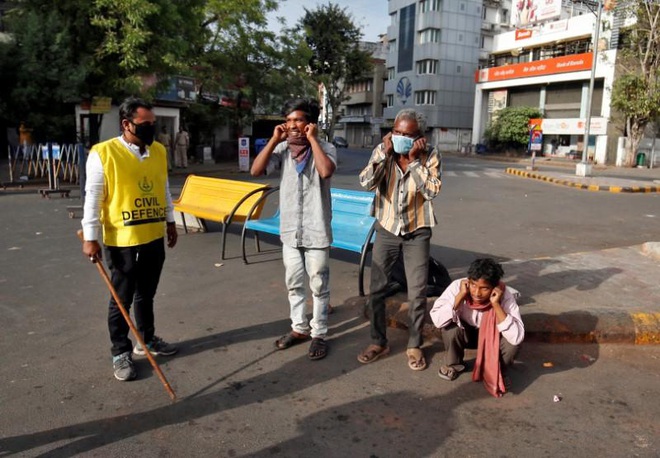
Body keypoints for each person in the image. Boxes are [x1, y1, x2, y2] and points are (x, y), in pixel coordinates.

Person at [81, 97, 179, 382]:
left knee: (146, 294)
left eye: (153, 124)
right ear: (126, 124)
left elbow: (163, 189)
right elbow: (93, 200)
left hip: (152, 237)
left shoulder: (158, 151)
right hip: (123, 241)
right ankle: (120, 352)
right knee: (121, 300)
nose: (151, 129)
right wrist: (91, 238)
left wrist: (170, 221)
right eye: (145, 124)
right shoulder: (103, 153)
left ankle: (146, 339)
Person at [250, 98, 337, 361]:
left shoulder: (325, 147)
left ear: (310, 123)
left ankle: (319, 334)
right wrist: (273, 141)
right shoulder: (283, 151)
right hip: (290, 231)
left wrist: (313, 141)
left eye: (297, 120)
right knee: (294, 283)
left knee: (319, 284)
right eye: (288, 120)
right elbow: (255, 171)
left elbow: (325, 171)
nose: (291, 125)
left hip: (316, 231)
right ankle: (299, 328)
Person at [357, 108, 442, 371]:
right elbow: (366, 182)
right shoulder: (383, 151)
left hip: (417, 231)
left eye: (407, 135)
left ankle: (414, 345)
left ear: (420, 137)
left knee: (417, 293)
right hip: (387, 229)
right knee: (377, 290)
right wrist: (384, 154)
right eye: (396, 132)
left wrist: (415, 161)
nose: (400, 137)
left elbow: (431, 191)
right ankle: (378, 342)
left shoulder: (430, 155)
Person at [430, 258, 524, 398]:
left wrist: (496, 305)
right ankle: (454, 364)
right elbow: (437, 320)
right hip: (466, 334)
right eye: (473, 285)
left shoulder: (505, 296)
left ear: (494, 287)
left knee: (513, 342)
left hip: (492, 340)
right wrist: (460, 296)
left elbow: (517, 337)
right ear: (469, 281)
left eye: (484, 288)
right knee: (449, 325)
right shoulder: (458, 287)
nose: (477, 293)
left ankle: (498, 369)